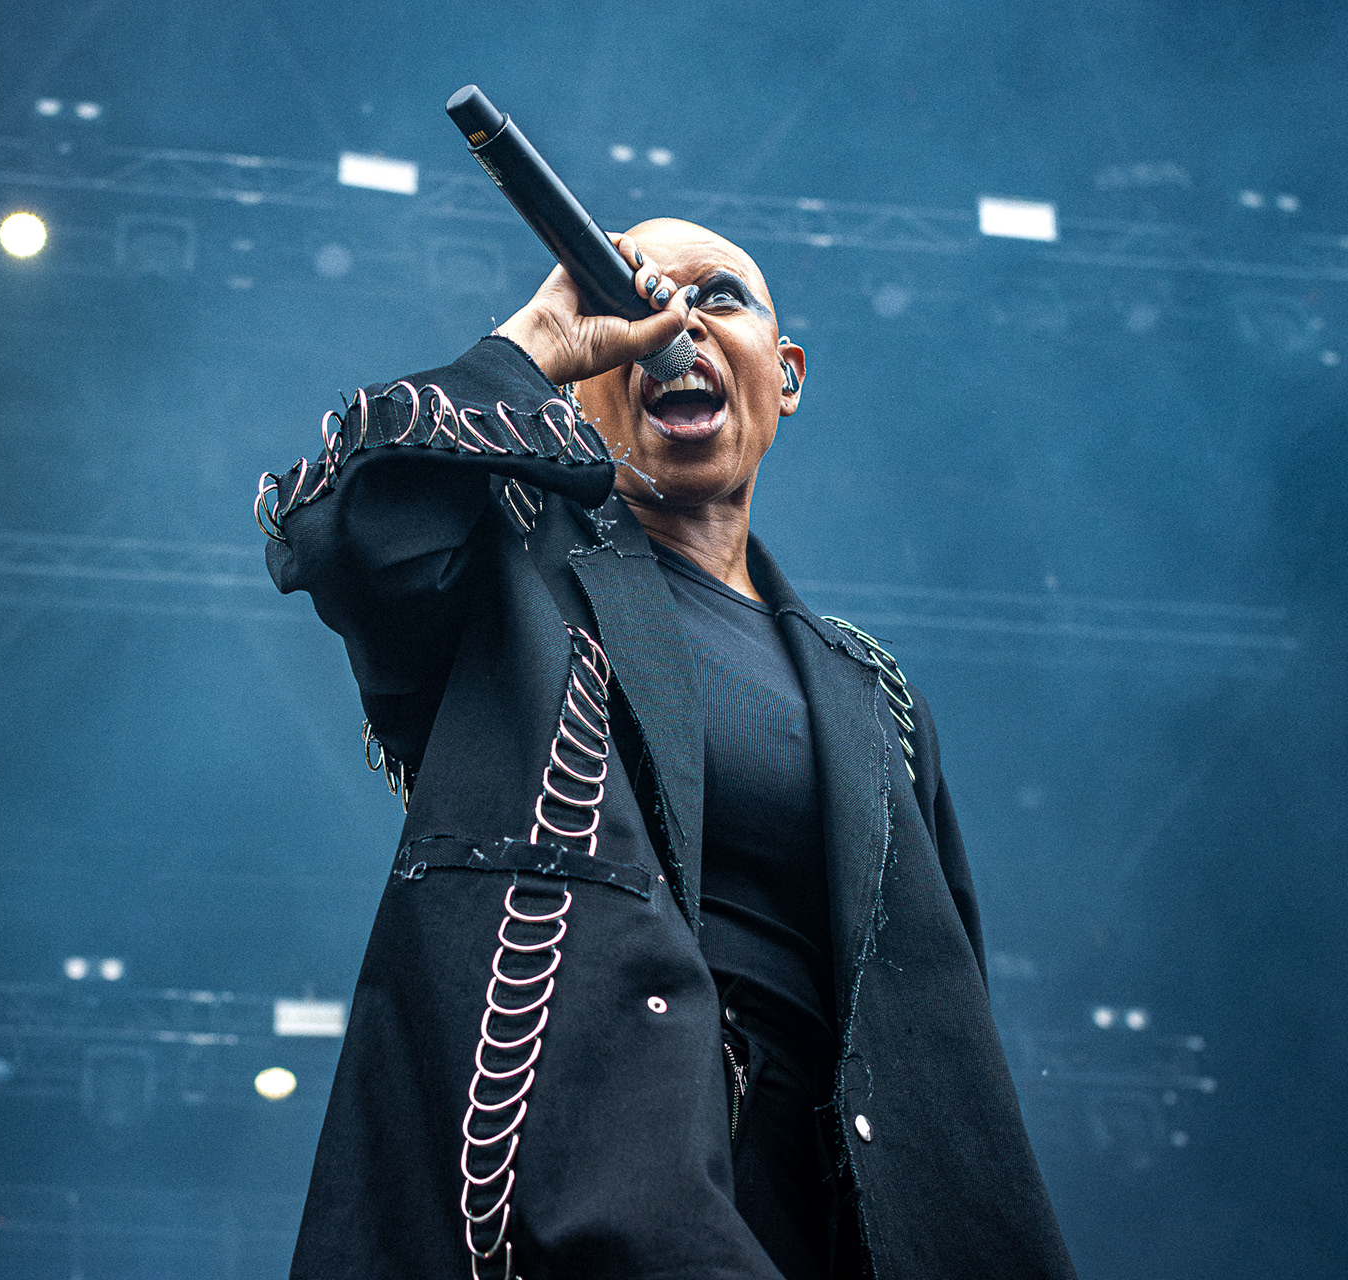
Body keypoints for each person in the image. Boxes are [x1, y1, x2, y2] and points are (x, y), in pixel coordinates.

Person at [257, 219, 1075, 1280]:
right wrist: (530, 345)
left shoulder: (872, 693)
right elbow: (351, 537)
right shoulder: (512, 584)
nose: (677, 328)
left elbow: (941, 1010)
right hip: (593, 1191)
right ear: (582, 387)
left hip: (840, 1222)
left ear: (786, 376)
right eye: (636, 302)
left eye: (720, 296)